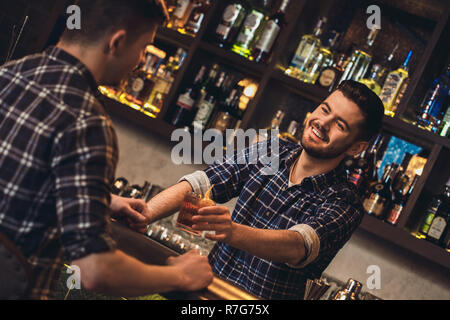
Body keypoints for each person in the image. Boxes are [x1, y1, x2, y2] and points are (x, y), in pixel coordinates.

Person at [0, 0, 212, 300]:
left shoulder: (10, 73)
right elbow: (97, 270)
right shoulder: (87, 123)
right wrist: (179, 275)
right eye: (143, 48)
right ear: (117, 42)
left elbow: (15, 169)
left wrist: (102, 199)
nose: (141, 61)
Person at [146, 80, 384, 299]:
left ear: (356, 147)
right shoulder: (270, 151)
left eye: (340, 124)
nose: (323, 122)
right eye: (325, 109)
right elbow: (202, 183)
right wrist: (144, 214)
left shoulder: (344, 202)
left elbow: (297, 245)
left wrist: (232, 232)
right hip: (208, 295)